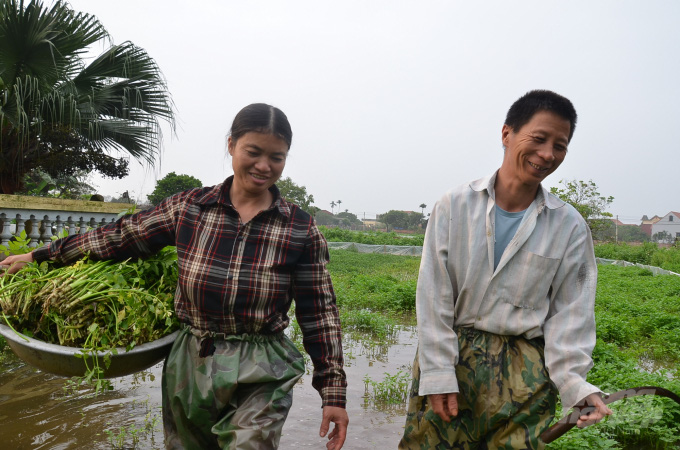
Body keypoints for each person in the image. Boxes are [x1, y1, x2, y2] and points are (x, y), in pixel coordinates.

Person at [2, 103, 349, 450]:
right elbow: (118, 238)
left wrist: (333, 393)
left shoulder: (299, 227)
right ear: (231, 145)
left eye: (277, 157)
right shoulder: (189, 208)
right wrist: (39, 256)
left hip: (263, 365)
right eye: (253, 152)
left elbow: (319, 313)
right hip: (192, 358)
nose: (264, 166)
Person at [398, 90, 612, 449]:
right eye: (539, 138)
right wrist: (437, 372)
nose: (547, 154)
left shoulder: (569, 226)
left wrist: (576, 386)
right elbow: (434, 296)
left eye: (560, 146)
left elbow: (571, 316)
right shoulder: (455, 205)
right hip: (454, 360)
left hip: (525, 372)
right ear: (507, 134)